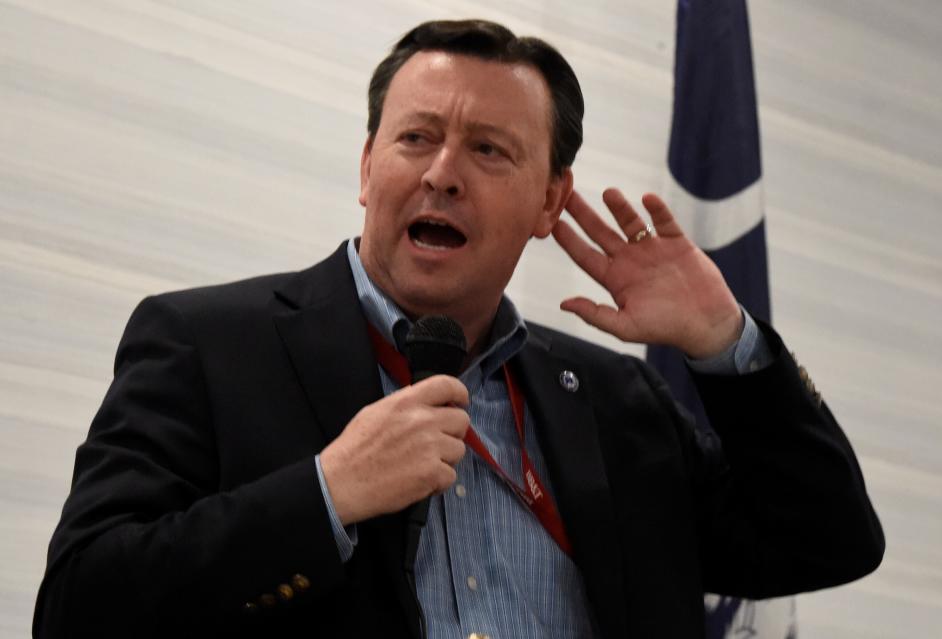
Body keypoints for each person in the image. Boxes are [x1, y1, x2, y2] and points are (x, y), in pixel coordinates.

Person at [34, 19, 883, 639]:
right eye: (416, 137)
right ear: (368, 168)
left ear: (551, 198)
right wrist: (325, 494)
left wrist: (724, 341)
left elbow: (827, 542)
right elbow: (79, 605)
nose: (442, 173)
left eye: (488, 150)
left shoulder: (619, 401)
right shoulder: (208, 344)